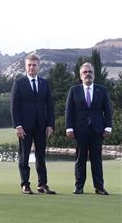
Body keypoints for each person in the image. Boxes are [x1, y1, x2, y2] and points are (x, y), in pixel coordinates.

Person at [10, 52, 56, 195]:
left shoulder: (44, 83)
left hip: (41, 126)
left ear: (38, 67)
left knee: (41, 156)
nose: (31, 67)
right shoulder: (19, 83)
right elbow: (14, 107)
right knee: (24, 156)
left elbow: (49, 106)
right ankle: (25, 184)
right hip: (24, 126)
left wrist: (50, 124)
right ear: (26, 66)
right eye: (29, 65)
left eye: (34, 65)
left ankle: (42, 185)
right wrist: (17, 125)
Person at [65, 62, 113, 195]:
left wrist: (108, 126)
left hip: (97, 130)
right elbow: (69, 111)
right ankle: (79, 187)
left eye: (90, 72)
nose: (88, 74)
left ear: (94, 75)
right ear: (80, 76)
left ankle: (99, 187)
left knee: (96, 160)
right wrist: (69, 127)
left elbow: (108, 110)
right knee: (80, 159)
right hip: (80, 130)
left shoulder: (102, 90)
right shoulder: (74, 90)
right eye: (85, 72)